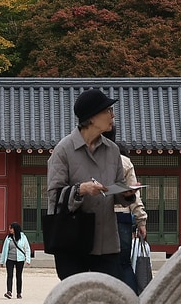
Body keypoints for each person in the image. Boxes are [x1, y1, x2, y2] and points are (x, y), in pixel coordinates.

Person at [46, 88, 133, 280]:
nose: (113, 115)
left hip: (107, 241)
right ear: (92, 118)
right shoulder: (63, 150)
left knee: (107, 298)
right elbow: (54, 195)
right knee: (76, 299)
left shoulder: (112, 150)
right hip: (73, 240)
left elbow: (117, 187)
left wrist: (126, 194)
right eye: (107, 111)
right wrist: (81, 189)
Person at [112, 146, 149, 294]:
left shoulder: (96, 158)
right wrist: (141, 221)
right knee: (124, 264)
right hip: (122, 216)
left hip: (100, 216)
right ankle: (132, 299)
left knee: (102, 262)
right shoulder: (126, 162)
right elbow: (134, 195)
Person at [1, 223, 31, 299]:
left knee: (19, 276)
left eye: (11, 228)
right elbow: (4, 250)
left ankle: (19, 293)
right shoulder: (8, 238)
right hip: (10, 259)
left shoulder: (23, 237)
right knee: (10, 275)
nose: (10, 229)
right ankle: (9, 291)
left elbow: (27, 248)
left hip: (20, 259)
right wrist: (2, 261)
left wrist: (28, 259)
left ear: (15, 229)